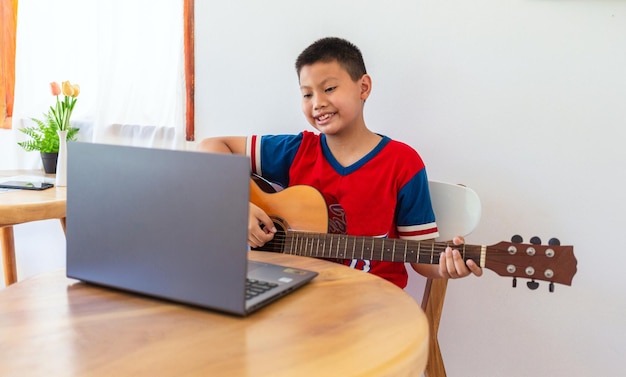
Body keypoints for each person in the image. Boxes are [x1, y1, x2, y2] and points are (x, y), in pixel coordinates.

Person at [198, 37, 482, 288]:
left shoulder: (402, 163)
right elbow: (212, 145)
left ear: (364, 87)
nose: (317, 102)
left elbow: (422, 260)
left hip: (375, 306)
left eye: (329, 88)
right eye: (307, 94)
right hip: (298, 297)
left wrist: (447, 266)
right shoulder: (297, 150)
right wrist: (235, 205)